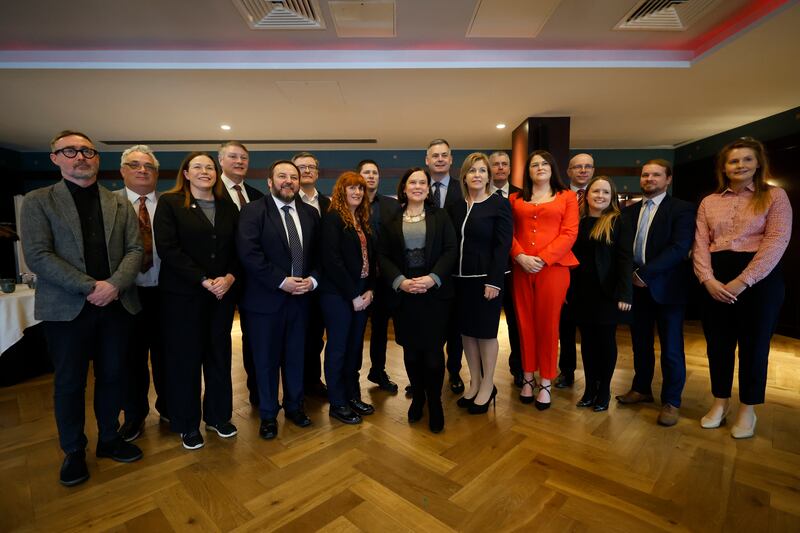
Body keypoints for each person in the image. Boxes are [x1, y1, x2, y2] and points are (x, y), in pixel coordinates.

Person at [21, 130, 143, 486]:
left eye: (87, 151)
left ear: (97, 158)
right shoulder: (38, 201)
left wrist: (113, 286)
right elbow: (39, 255)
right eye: (69, 151)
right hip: (66, 309)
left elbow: (135, 250)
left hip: (116, 306)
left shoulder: (118, 203)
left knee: (112, 377)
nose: (80, 157)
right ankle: (73, 450)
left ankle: (109, 438)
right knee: (70, 383)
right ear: (55, 158)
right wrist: (91, 287)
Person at [693, 138, 792, 439]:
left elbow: (776, 242)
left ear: (758, 163)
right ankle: (720, 402)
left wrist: (743, 281)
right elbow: (700, 244)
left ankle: (748, 408)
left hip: (759, 281)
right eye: (734, 161)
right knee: (718, 346)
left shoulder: (775, 196)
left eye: (746, 160)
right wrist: (707, 279)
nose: (740, 165)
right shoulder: (709, 202)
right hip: (715, 278)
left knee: (754, 346)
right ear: (724, 167)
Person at [153, 152, 240, 450]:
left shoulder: (228, 207)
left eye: (210, 167)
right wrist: (203, 279)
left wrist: (229, 277)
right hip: (183, 297)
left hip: (221, 296)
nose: (205, 171)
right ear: (186, 174)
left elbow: (238, 249)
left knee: (218, 357)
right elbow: (168, 249)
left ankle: (218, 417)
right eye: (198, 167)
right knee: (185, 361)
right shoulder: (170, 203)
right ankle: (187, 423)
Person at [237, 160, 320, 440]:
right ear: (270, 182)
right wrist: (281, 281)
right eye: (282, 176)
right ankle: (269, 415)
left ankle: (295, 407)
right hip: (265, 301)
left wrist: (313, 280)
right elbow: (249, 254)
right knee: (265, 360)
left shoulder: (310, 214)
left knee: (297, 357)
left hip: (301, 300)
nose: (289, 181)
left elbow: (321, 255)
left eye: (293, 177)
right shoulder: (252, 211)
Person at [616, 160, 696, 427]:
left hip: (667, 289)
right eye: (645, 174)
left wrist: (644, 274)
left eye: (656, 175)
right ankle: (641, 389)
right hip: (636, 291)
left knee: (672, 349)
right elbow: (624, 249)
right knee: (640, 344)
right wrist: (630, 278)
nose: (649, 178)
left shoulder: (682, 209)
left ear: (668, 179)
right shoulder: (629, 211)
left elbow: (679, 247)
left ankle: (671, 401)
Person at [379, 168, 456, 433]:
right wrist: (400, 281)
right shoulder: (392, 219)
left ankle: (435, 402)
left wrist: (433, 278)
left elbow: (450, 249)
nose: (418, 186)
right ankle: (419, 397)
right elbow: (384, 256)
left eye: (423, 182)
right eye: (413, 182)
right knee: (411, 355)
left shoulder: (441, 216)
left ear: (428, 189)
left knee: (434, 356)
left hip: (434, 295)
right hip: (405, 295)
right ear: (404, 187)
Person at [510, 150, 579, 410]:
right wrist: (519, 256)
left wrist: (541, 258)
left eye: (544, 163)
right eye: (534, 164)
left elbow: (570, 232)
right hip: (521, 268)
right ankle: (527, 377)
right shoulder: (515, 199)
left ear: (553, 168)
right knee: (524, 323)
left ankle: (546, 381)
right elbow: (509, 232)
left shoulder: (567, 197)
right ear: (527, 171)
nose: (540, 167)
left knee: (549, 325)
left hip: (554, 268)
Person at [448, 153, 512, 414]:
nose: (477, 175)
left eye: (482, 171)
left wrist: (494, 281)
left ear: (489, 176)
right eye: (472, 170)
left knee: (485, 334)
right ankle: (474, 382)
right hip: (459, 282)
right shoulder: (455, 207)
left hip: (487, 281)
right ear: (464, 176)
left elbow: (502, 246)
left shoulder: (498, 205)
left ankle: (488, 384)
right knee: (467, 333)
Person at [116, 144, 168, 442]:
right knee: (130, 359)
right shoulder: (110, 203)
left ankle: (168, 408)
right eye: (135, 165)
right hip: (126, 294)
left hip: (165, 294)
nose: (142, 170)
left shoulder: (169, 203)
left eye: (148, 167)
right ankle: (134, 416)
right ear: (123, 171)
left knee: (166, 355)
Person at [569, 177, 633, 412]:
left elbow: (625, 259)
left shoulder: (618, 221)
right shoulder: (578, 221)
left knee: (605, 343)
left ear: (612, 197)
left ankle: (604, 390)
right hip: (581, 292)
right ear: (587, 195)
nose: (600, 196)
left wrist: (626, 294)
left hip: (607, 293)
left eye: (606, 192)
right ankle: (589, 389)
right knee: (586, 343)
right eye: (596, 191)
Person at [320, 172, 377, 424]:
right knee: (338, 349)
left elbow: (372, 260)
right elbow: (332, 261)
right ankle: (338, 402)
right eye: (351, 188)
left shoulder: (363, 220)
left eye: (360, 189)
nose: (356, 192)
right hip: (338, 295)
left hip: (362, 293)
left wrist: (370, 289)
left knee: (355, 348)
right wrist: (353, 295)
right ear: (341, 191)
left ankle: (353, 395)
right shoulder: (332, 219)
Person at [218, 140, 264, 407]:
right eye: (233, 157)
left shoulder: (257, 196)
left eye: (244, 158)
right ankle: (221, 405)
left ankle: (258, 392)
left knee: (254, 339)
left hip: (253, 282)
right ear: (220, 160)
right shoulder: (207, 193)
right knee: (219, 342)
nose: (239, 162)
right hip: (220, 281)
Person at [425, 138, 465, 394]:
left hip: (456, 270)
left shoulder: (463, 189)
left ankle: (454, 372)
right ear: (427, 161)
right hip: (423, 272)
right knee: (428, 328)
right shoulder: (417, 188)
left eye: (444, 155)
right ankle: (426, 376)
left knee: (454, 327)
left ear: (451, 160)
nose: (440, 159)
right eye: (435, 156)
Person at [358, 159, 401, 393]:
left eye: (375, 172)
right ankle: (350, 378)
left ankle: (378, 370)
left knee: (381, 329)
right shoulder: (350, 204)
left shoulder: (391, 206)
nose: (371, 176)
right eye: (366, 172)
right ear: (358, 176)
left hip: (384, 279)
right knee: (355, 330)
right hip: (359, 280)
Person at [556, 153, 595, 389]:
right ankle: (567, 371)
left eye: (588, 167)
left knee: (591, 326)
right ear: (568, 171)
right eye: (577, 167)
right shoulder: (561, 197)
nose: (583, 171)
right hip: (564, 268)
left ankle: (594, 376)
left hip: (592, 272)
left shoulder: (602, 195)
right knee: (565, 325)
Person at [292, 151, 330, 399]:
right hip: (292, 283)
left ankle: (313, 382)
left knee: (316, 336)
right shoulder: (280, 201)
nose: (306, 171)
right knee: (295, 339)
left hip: (321, 282)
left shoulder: (328, 204)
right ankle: (295, 387)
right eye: (301, 167)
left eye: (310, 167)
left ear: (317, 173)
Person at [489, 151, 523, 388]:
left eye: (504, 164)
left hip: (514, 269)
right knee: (485, 325)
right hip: (484, 269)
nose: (500, 168)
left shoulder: (522, 196)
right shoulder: (477, 193)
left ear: (510, 168)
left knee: (515, 322)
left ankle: (519, 368)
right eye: (495, 164)